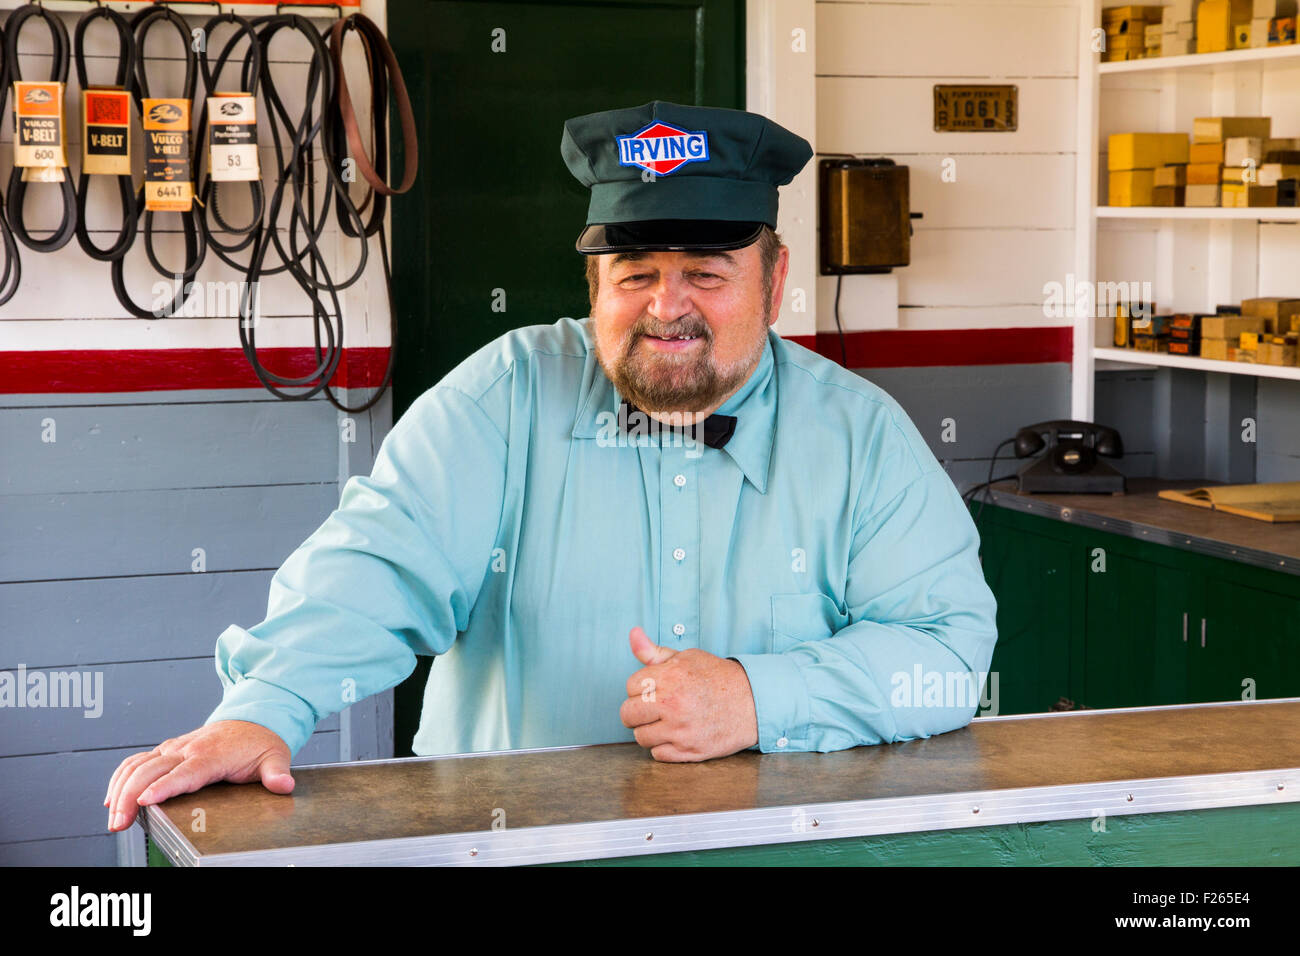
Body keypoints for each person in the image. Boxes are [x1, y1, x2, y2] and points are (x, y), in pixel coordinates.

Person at [105, 100, 998, 833]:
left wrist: (759, 698)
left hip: (777, 850)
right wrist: (265, 707)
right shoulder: (503, 393)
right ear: (595, 284)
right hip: (503, 849)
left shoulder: (861, 434)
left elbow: (949, 653)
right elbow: (377, 568)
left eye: (706, 272)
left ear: (775, 279)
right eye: (636, 271)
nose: (668, 307)